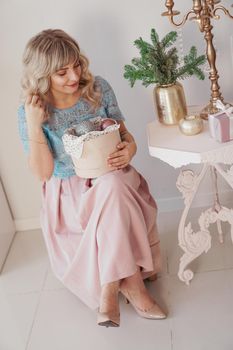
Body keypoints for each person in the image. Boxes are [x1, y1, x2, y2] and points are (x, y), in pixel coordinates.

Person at [18, 28, 167, 327]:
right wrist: (35, 126)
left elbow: (126, 136)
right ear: (42, 75)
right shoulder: (32, 111)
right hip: (71, 195)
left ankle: (110, 287)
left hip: (115, 174)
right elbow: (44, 173)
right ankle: (132, 283)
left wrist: (130, 150)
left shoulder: (98, 87)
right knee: (112, 189)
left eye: (76, 65)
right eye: (62, 72)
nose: (74, 76)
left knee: (112, 183)